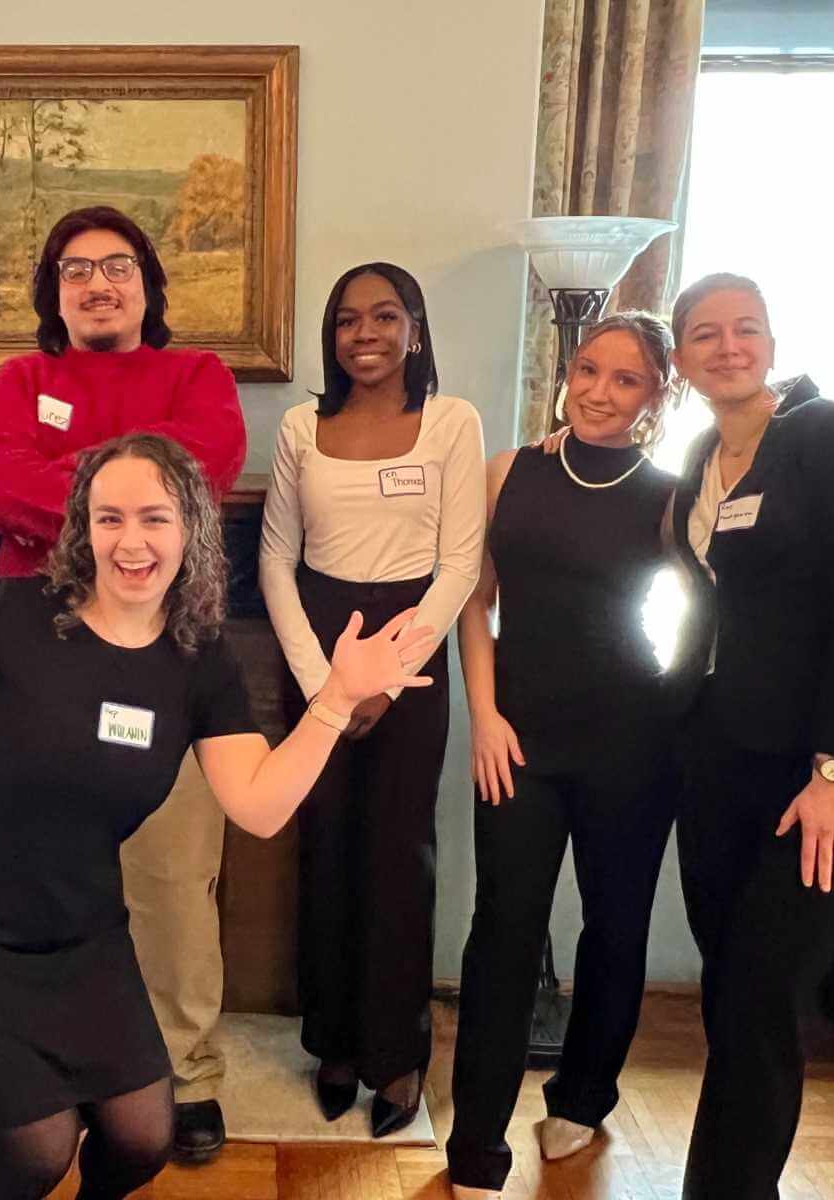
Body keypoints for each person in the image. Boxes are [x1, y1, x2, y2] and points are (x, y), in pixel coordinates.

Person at [0, 433, 435, 1200]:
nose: (131, 541)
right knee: (38, 1150)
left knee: (144, 1135)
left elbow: (260, 806)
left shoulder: (197, 657)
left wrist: (335, 700)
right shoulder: (13, 616)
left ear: (191, 531)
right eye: (109, 519)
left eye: (154, 518)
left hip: (80, 930)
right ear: (82, 529)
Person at [0, 205, 248, 1161]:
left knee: (170, 874)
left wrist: (69, 497)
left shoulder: (197, 376)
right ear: (54, 291)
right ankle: (56, 1067)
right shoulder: (21, 380)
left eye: (116, 266)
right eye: (76, 269)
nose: (97, 283)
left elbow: (202, 478)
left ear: (146, 285)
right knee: (41, 876)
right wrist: (135, 500)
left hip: (161, 659)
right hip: (36, 662)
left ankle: (189, 1073)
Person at [665, 273, 834, 1198]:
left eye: (746, 329)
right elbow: (708, 612)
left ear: (770, 341)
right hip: (723, 765)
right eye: (704, 334)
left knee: (765, 990)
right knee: (731, 992)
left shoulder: (830, 436)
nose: (728, 346)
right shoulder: (700, 460)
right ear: (681, 359)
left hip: (831, 777)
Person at [444, 313, 685, 1197]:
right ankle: (475, 1140)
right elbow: (474, 604)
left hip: (634, 736)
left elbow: (707, 609)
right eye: (589, 370)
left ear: (657, 396)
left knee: (615, 927)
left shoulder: (671, 492)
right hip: (520, 740)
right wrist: (486, 715)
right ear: (567, 371)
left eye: (626, 381)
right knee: (503, 930)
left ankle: (581, 1100)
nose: (599, 392)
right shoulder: (509, 472)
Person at [258, 263, 485, 1137]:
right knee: (326, 850)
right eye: (348, 320)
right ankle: (335, 1044)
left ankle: (398, 1054)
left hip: (411, 651)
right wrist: (324, 686)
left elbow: (460, 565)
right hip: (316, 642)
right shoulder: (300, 427)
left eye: (385, 317)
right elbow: (276, 559)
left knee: (399, 855)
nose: (366, 334)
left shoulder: (450, 422)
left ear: (415, 329)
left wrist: (386, 678)